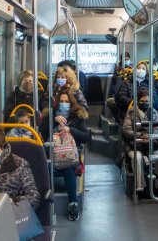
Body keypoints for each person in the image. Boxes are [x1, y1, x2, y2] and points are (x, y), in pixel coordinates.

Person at [54, 89, 89, 221]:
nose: (64, 104)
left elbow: (85, 137)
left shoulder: (77, 117)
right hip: (51, 154)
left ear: (71, 103)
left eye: (66, 101)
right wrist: (53, 120)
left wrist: (70, 130)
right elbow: (44, 136)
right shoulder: (51, 117)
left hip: (70, 156)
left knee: (68, 167)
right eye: (61, 101)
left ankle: (72, 203)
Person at [122, 89, 158, 191]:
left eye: (147, 102)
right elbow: (126, 130)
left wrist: (150, 136)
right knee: (137, 158)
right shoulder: (131, 112)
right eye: (143, 101)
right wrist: (140, 135)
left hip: (150, 142)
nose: (145, 103)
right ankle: (140, 185)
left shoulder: (154, 112)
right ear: (138, 101)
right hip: (134, 143)